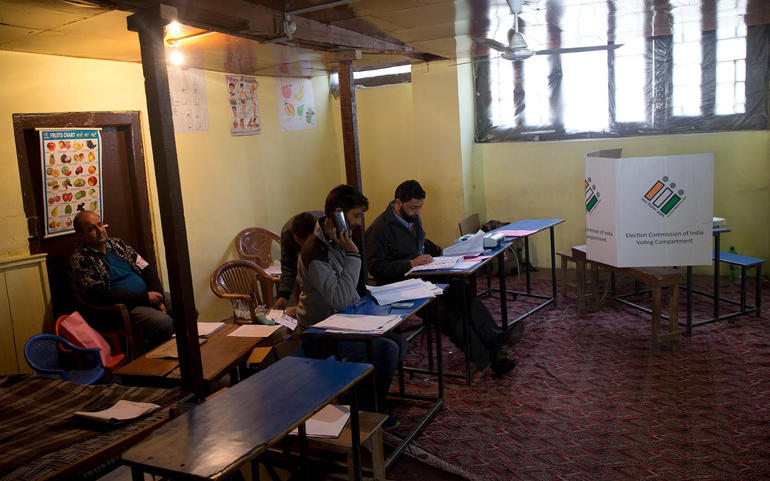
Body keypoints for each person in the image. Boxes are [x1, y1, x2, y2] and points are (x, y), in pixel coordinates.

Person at [365, 180, 523, 376]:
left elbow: (419, 244)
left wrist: (442, 254)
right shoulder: (379, 229)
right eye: (413, 207)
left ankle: (495, 339)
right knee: (447, 313)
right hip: (400, 288)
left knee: (462, 291)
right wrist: (409, 263)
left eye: (420, 207)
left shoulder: (412, 218)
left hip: (423, 277)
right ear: (397, 203)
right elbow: (375, 268)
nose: (417, 212)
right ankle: (490, 360)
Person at [296, 185, 406, 422]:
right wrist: (353, 253)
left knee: (397, 340)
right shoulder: (316, 251)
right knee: (386, 349)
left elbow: (347, 292)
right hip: (320, 332)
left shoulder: (335, 239)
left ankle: (363, 399)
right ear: (338, 214)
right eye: (355, 216)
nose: (358, 222)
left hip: (343, 321)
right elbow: (339, 299)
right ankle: (364, 414)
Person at [69, 210, 174, 350]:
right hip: (123, 308)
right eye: (92, 228)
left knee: (187, 309)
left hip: (148, 296)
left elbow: (146, 268)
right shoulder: (80, 259)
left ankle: (183, 352)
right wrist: (145, 298)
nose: (100, 230)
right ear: (81, 236)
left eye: (100, 224)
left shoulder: (118, 244)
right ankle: (156, 356)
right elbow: (102, 295)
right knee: (163, 322)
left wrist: (157, 297)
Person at [273, 210, 323, 310]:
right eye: (299, 243)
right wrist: (283, 296)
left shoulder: (325, 230)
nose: (303, 248)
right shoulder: (287, 234)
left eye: (306, 244)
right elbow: (288, 267)